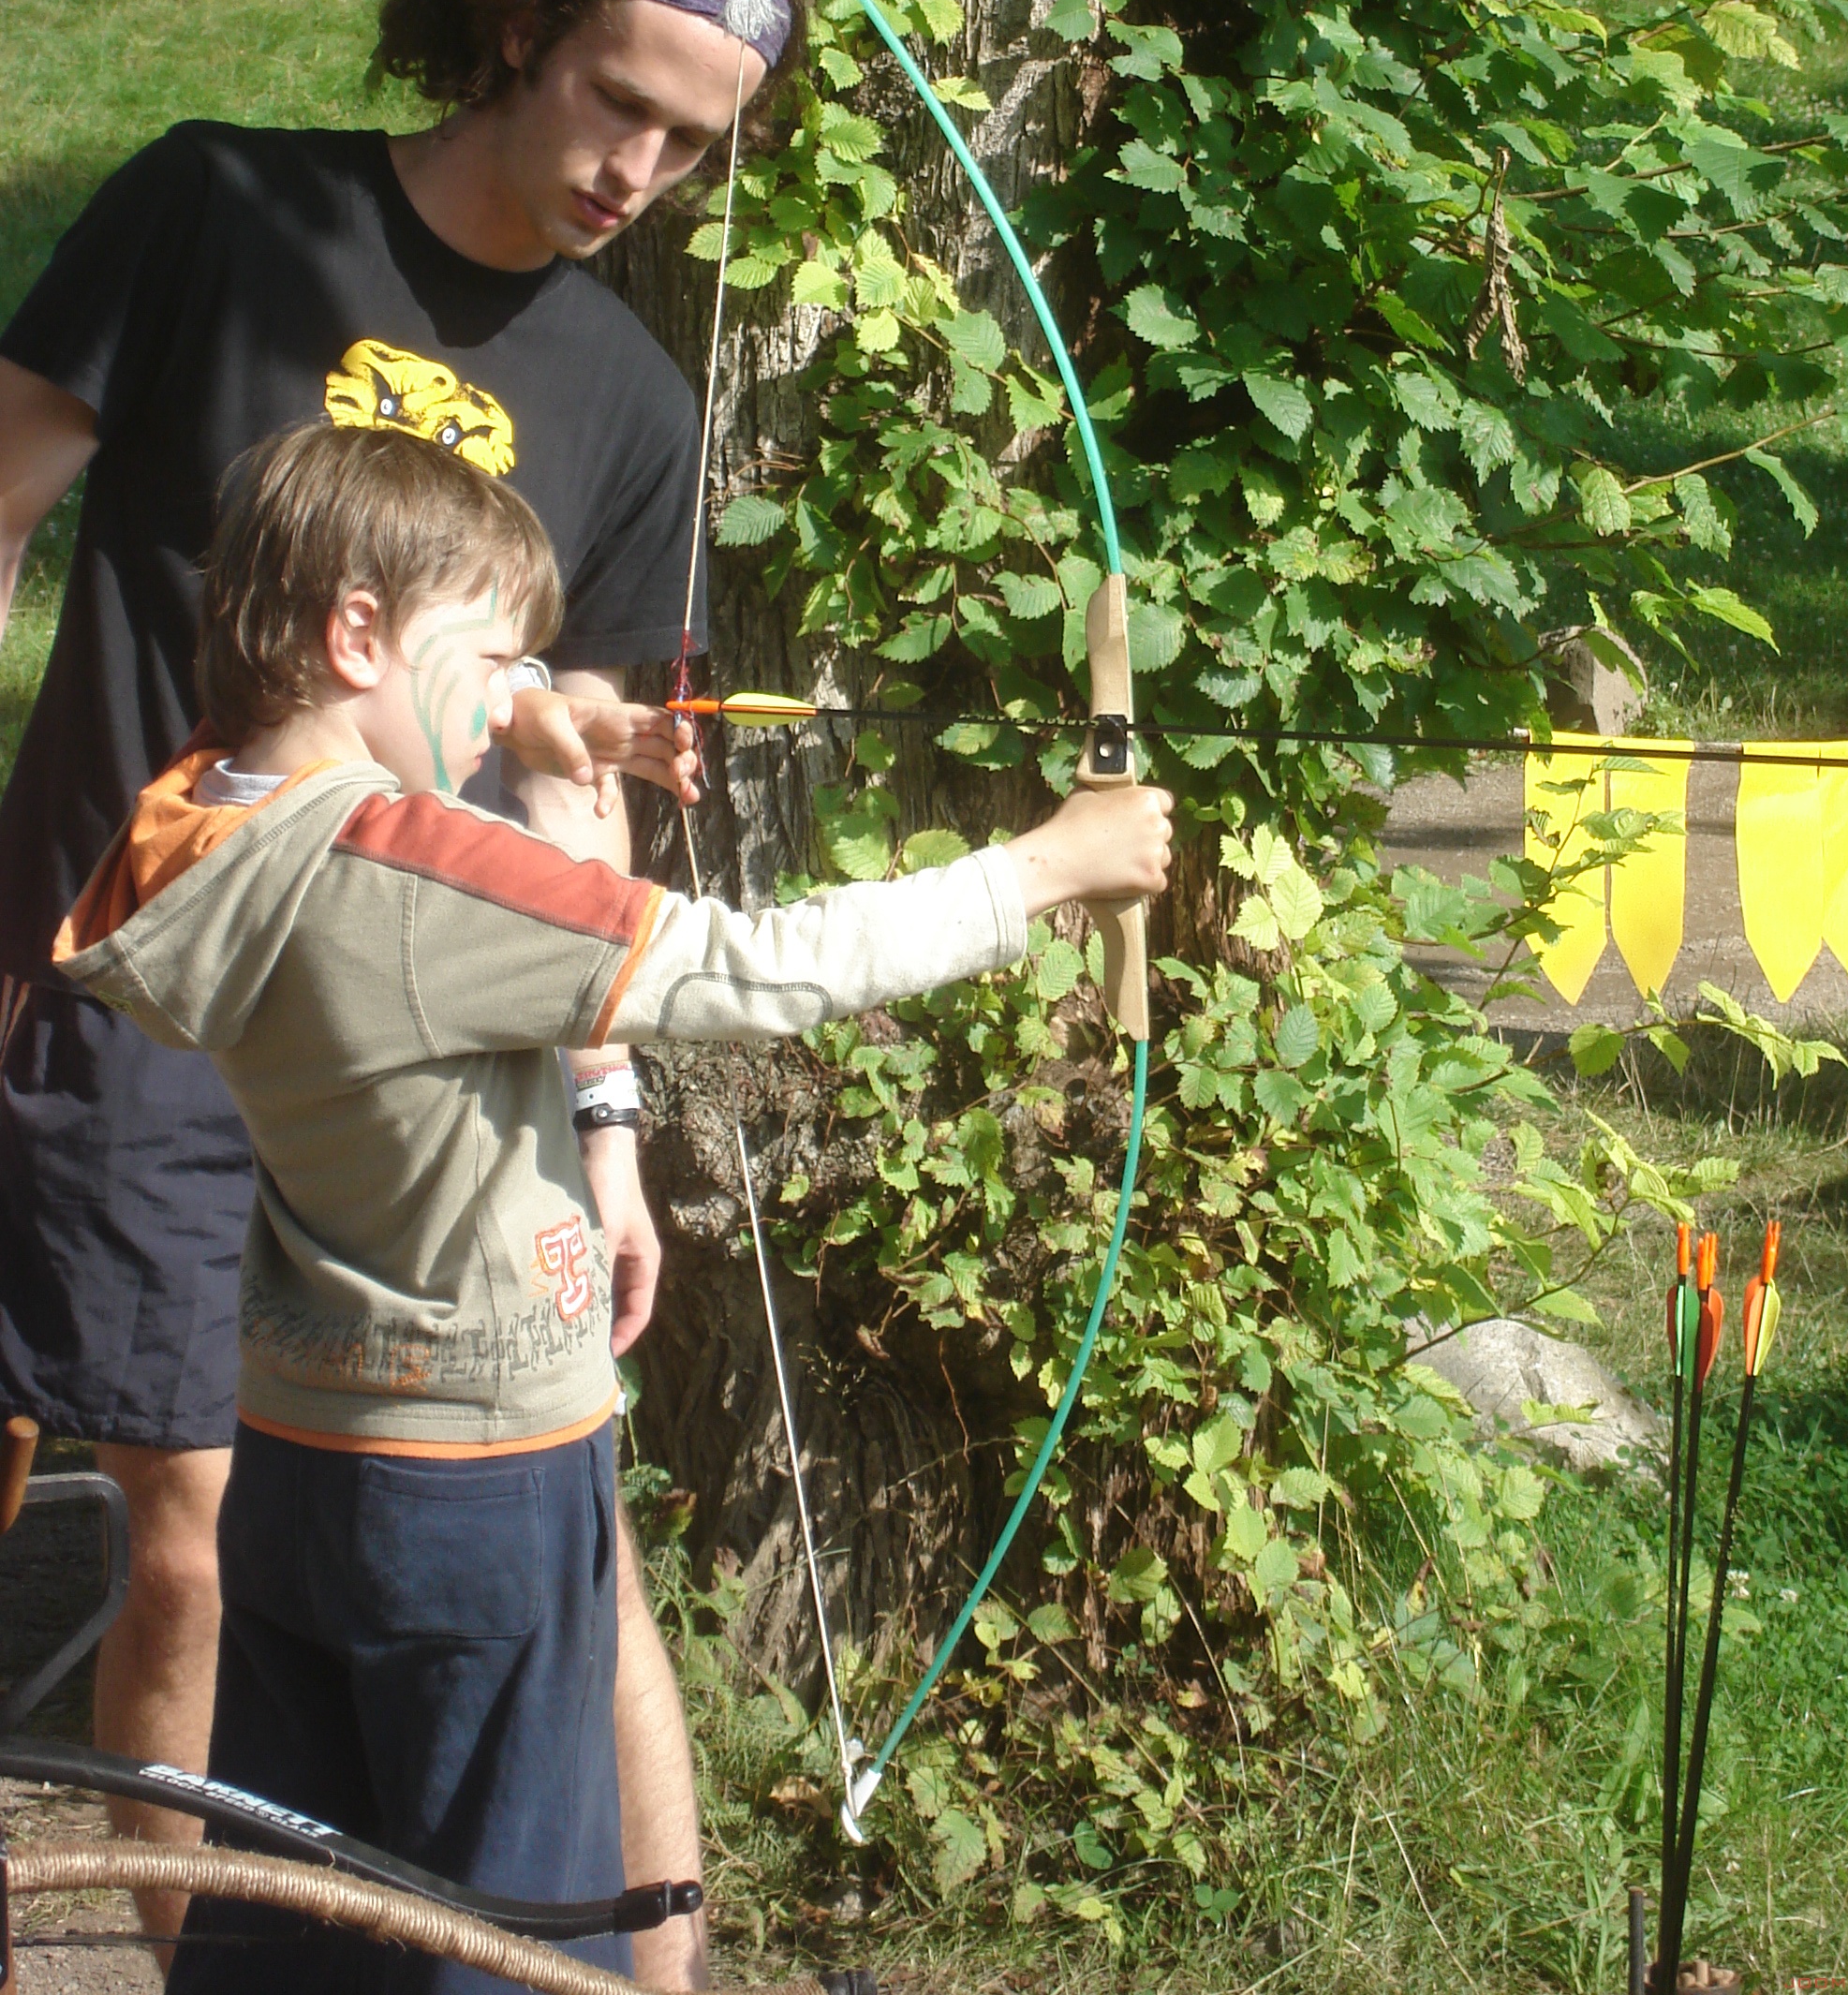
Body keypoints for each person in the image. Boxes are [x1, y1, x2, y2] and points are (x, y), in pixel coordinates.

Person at [54, 421, 1175, 1994]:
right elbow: (753, 967)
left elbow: (331, 741)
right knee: (503, 1932)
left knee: (295, 1923)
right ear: (358, 633)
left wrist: (524, 704)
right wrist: (1047, 870)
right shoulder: (419, 869)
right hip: (481, 1493)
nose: (502, 699)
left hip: (300, 1461)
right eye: (486, 658)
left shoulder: (200, 828)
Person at [0, 0, 808, 1988]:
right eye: (618, 103)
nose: (641, 172)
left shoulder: (632, 402)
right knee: (168, 1526)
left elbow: (568, 789)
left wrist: (609, 1130)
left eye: (692, 146)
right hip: (147, 987)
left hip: (431, 1075)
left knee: (546, 1542)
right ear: (519, 26)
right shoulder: (218, 208)